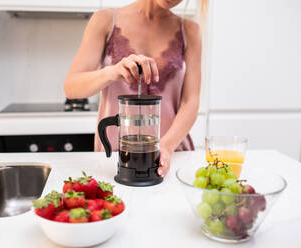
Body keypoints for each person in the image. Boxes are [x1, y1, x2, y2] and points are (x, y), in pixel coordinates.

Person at [64, 0, 202, 177]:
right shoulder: (105, 20)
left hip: (172, 156)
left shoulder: (190, 31)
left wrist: (166, 147)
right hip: (115, 155)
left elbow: (191, 102)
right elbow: (71, 87)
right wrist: (112, 72)